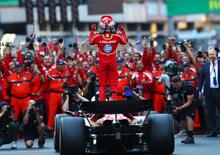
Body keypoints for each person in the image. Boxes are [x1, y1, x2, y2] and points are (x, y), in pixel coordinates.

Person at [89, 15, 127, 101]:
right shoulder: (116, 37)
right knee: (113, 85)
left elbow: (90, 41)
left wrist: (92, 31)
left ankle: (102, 104)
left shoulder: (98, 37)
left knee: (102, 85)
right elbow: (124, 42)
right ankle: (114, 100)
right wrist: (123, 30)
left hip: (102, 64)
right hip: (112, 63)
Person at [167, 75, 196, 144]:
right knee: (182, 119)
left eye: (176, 85)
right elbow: (170, 95)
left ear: (180, 82)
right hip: (181, 101)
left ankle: (191, 137)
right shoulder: (172, 86)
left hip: (192, 101)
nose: (175, 87)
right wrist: (169, 103)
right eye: (173, 85)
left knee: (188, 116)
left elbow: (189, 102)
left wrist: (179, 108)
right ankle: (188, 135)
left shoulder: (188, 87)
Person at [199, 48, 220, 137]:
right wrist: (200, 91)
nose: (211, 56)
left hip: (219, 90)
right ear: (208, 55)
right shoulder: (205, 66)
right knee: (210, 111)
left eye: (213, 54)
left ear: (217, 55)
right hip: (209, 91)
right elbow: (201, 79)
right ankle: (213, 130)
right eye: (210, 54)